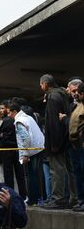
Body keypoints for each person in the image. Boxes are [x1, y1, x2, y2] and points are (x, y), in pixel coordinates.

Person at [39, 74, 77, 209]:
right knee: (69, 169)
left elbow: (53, 123)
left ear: (45, 84)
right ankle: (72, 199)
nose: (40, 87)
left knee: (57, 170)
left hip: (57, 141)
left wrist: (54, 143)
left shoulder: (53, 97)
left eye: (41, 84)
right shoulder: (61, 95)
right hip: (65, 138)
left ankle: (58, 199)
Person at [8, 102, 45, 205]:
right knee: (37, 175)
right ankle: (39, 198)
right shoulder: (28, 117)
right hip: (39, 148)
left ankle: (32, 199)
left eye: (9, 113)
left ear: (14, 112)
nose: (8, 115)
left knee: (31, 176)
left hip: (32, 151)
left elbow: (25, 138)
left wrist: (24, 155)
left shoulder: (19, 121)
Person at [0, 101, 27, 199]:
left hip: (6, 151)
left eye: (3, 108)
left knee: (9, 175)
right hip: (16, 150)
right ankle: (22, 195)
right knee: (19, 175)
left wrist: (0, 135)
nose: (2, 110)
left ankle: (11, 195)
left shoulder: (4, 121)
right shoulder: (11, 120)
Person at [69, 83, 84, 211]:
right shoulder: (78, 106)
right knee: (78, 173)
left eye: (78, 92)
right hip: (76, 144)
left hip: (81, 144)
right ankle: (81, 200)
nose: (76, 94)